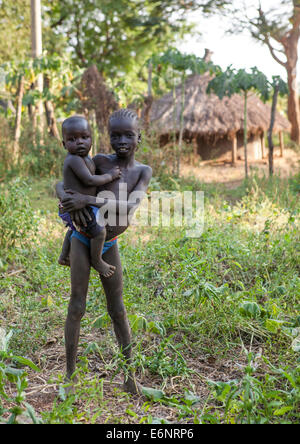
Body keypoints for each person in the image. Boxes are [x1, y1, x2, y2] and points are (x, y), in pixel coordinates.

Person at [56, 109, 152, 394]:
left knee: (118, 310)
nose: (121, 141)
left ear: (139, 138)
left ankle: (130, 377)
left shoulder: (142, 171)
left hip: (109, 244)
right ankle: (70, 378)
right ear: (108, 137)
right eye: (115, 135)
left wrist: (86, 199)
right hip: (83, 239)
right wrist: (66, 198)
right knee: (77, 306)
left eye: (128, 135)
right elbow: (62, 182)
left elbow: (130, 208)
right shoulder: (99, 161)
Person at [59, 115, 121, 277]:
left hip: (79, 205)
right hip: (79, 206)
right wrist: (111, 176)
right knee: (100, 232)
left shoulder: (85, 158)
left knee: (74, 228)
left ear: (91, 139)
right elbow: (89, 180)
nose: (79, 142)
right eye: (72, 139)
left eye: (84, 137)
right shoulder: (74, 160)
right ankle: (97, 260)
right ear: (64, 144)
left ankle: (64, 256)